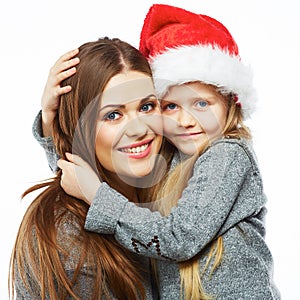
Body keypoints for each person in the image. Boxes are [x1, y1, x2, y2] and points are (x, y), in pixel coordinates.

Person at [33, 4, 281, 299]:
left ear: (230, 103)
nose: (186, 121)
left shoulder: (227, 156)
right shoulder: (175, 154)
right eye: (170, 106)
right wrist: (51, 122)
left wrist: (94, 193)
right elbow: (89, 174)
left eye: (202, 104)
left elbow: (179, 238)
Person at [9, 37, 165, 300]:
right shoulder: (66, 237)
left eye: (146, 106)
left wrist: (51, 125)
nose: (140, 129)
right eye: (113, 115)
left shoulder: (166, 186)